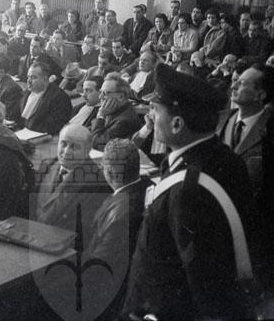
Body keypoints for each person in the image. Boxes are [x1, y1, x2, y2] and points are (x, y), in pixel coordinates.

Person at [123, 63, 259, 320]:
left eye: (155, 110)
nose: (150, 116)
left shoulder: (188, 191)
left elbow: (206, 287)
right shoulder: (225, 158)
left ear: (177, 124)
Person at [84, 138, 152, 319]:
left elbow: (98, 264)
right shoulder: (150, 188)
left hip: (109, 295)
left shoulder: (120, 215)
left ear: (109, 171)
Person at [35, 124, 110, 233]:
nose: (66, 151)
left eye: (74, 147)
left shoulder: (96, 183)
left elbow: (85, 230)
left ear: (87, 150)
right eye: (63, 144)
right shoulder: (47, 165)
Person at [218, 65, 273, 203]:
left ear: (260, 95)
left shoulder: (269, 130)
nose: (233, 86)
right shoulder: (219, 120)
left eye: (241, 83)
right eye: (235, 81)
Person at [91, 72, 142, 150]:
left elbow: (95, 142)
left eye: (105, 93)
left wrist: (100, 116)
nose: (100, 96)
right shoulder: (111, 110)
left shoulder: (125, 120)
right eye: (100, 92)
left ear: (121, 97)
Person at [18, 62, 71, 135]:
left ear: (45, 79)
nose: (28, 81)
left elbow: (54, 127)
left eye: (33, 77)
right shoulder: (26, 93)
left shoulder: (59, 97)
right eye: (28, 77)